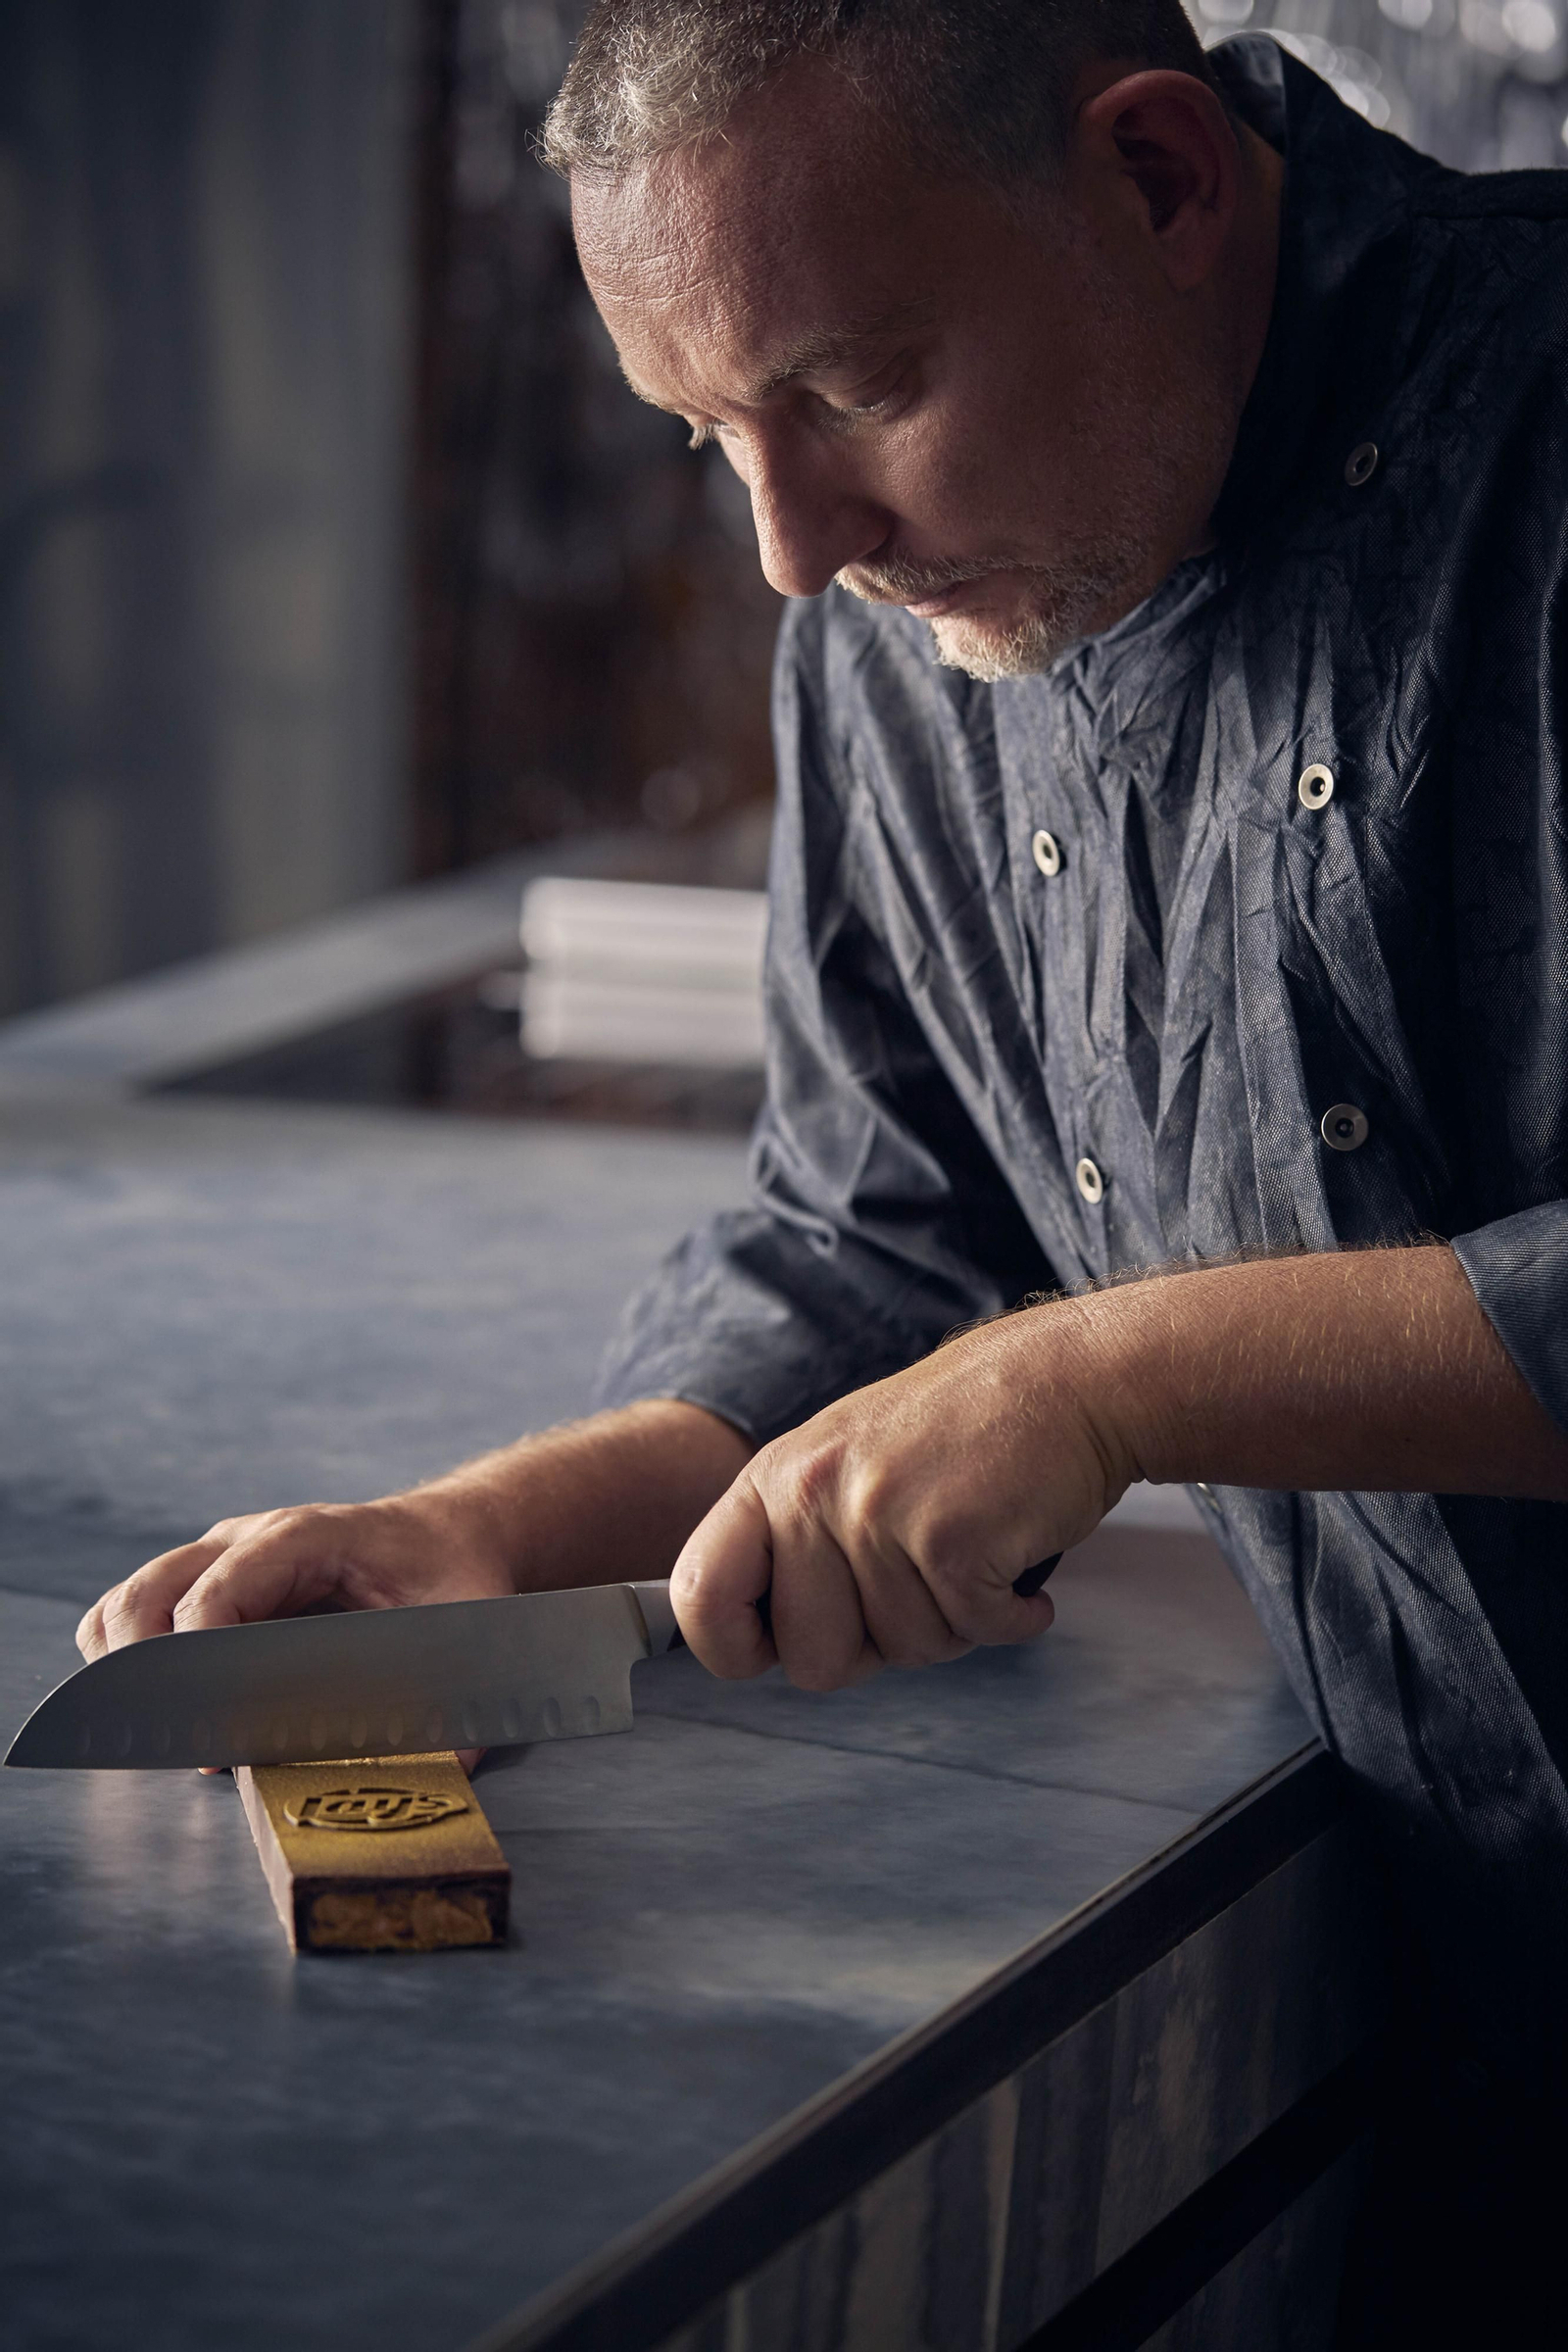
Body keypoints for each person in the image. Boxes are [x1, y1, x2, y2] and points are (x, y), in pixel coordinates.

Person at [79, 2, 1568, 2333]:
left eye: (858, 386)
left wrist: (1109, 1376)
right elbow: (876, 1226)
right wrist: (494, 1536)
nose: (788, 545)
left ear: (1159, 180)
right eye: (704, 438)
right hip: (1479, 2015)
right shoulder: (895, 600)